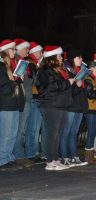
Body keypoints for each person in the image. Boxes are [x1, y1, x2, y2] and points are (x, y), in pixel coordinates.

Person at [36, 45, 75, 171]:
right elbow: (52, 86)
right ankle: (50, 161)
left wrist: (71, 81)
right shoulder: (46, 70)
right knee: (52, 134)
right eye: (59, 55)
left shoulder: (58, 70)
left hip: (60, 104)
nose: (61, 58)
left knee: (57, 134)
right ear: (52, 57)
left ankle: (55, 159)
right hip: (51, 105)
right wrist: (68, 82)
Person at [59, 48, 88, 167]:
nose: (81, 59)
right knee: (66, 132)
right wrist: (77, 84)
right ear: (72, 59)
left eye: (81, 57)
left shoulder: (80, 71)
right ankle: (64, 157)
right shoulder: (67, 71)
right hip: (70, 106)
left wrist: (81, 83)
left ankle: (74, 156)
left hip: (79, 106)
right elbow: (67, 90)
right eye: (78, 57)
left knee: (74, 132)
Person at [0, 39, 25, 171]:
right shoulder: (1, 66)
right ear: (6, 50)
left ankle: (9, 157)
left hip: (13, 103)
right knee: (6, 133)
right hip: (5, 104)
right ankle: (2, 160)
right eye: (13, 49)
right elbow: (3, 86)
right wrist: (15, 81)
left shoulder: (10, 65)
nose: (15, 52)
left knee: (13, 133)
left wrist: (18, 79)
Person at [13, 38, 34, 167]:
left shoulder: (25, 63)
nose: (28, 50)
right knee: (20, 129)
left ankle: (19, 154)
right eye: (26, 48)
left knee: (23, 128)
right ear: (19, 49)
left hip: (26, 98)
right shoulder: (17, 62)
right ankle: (18, 155)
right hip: (21, 99)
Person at [25, 42, 46, 161]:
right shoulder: (30, 63)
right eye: (39, 51)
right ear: (33, 52)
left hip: (38, 98)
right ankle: (30, 153)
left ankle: (34, 151)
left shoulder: (37, 64)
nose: (41, 53)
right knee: (33, 128)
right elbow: (36, 80)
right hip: (34, 98)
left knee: (35, 128)